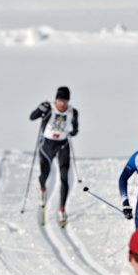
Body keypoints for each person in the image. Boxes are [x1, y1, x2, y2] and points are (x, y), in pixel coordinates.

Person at [29, 86, 79, 226]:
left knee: (64, 177)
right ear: (56, 99)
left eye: (65, 100)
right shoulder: (48, 108)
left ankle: (62, 208)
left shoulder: (72, 112)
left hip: (63, 145)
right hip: (47, 145)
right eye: (60, 100)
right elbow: (32, 117)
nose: (62, 103)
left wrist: (72, 131)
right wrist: (40, 110)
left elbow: (75, 130)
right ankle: (42, 187)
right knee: (45, 173)